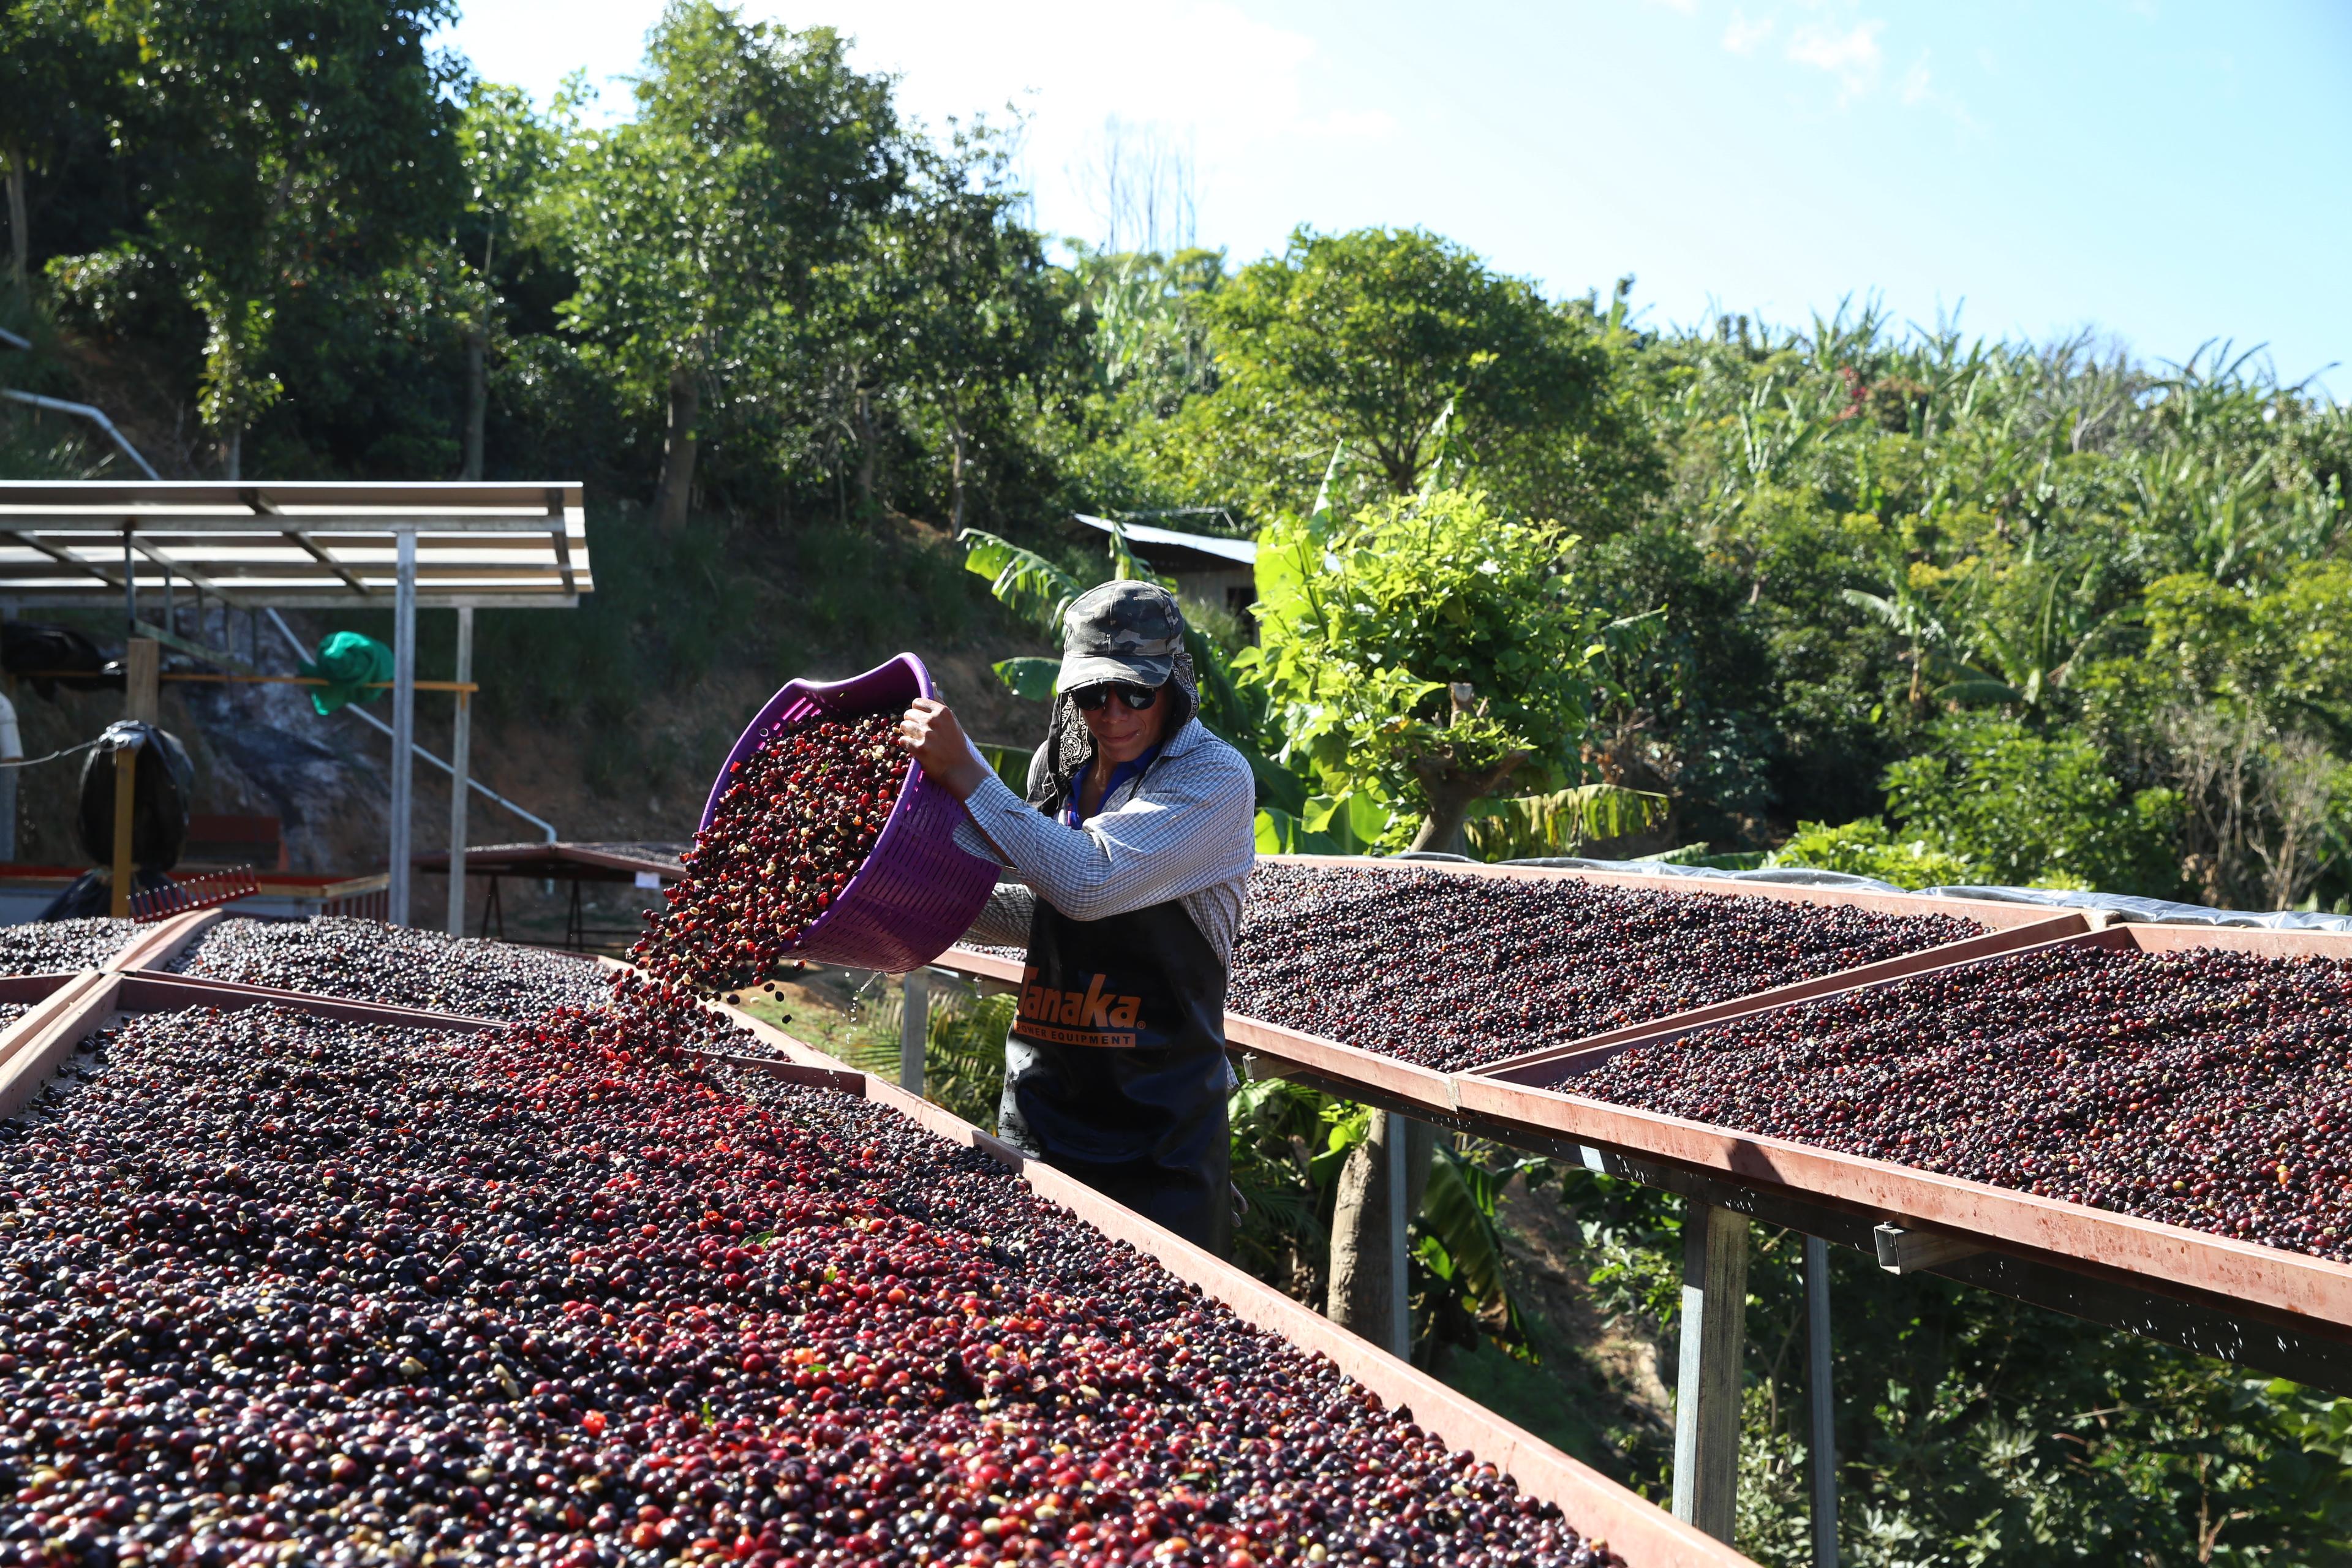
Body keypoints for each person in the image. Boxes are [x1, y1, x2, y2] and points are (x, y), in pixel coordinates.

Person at [896, 581, 1255, 1254]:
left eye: (1135, 692)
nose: (1112, 713)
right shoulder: (1055, 769)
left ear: (1174, 683)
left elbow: (1090, 880)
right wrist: (916, 896)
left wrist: (967, 772)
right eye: (1093, 695)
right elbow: (1050, 911)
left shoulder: (1213, 778)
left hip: (1158, 1144)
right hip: (1040, 1112)